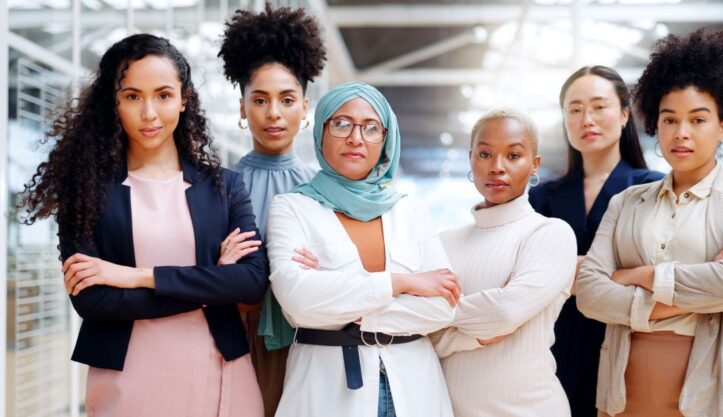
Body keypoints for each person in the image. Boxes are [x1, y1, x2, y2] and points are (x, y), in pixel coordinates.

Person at [18, 34, 267, 417]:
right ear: (113, 103)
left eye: (163, 95)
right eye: (133, 96)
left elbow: (250, 280)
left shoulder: (224, 186)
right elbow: (94, 301)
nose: (149, 113)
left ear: (184, 99)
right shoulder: (85, 191)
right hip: (127, 380)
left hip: (221, 370)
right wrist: (212, 282)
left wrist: (135, 276)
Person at [576, 29, 723, 417]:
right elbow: (589, 294)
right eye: (669, 120)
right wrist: (700, 296)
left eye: (698, 119)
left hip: (715, 389)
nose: (681, 133)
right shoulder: (626, 203)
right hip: (623, 387)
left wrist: (639, 274)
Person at [267, 82, 458, 417]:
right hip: (327, 390)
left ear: (385, 139)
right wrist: (402, 284)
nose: (356, 138)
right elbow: (297, 300)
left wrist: (337, 299)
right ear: (321, 130)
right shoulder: (292, 207)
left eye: (370, 128)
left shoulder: (410, 210)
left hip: (413, 388)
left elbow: (443, 307)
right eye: (341, 124)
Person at [528, 65, 662, 417]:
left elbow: (663, 272)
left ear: (622, 114)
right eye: (575, 109)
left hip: (630, 347)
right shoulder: (542, 198)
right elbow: (530, 279)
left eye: (599, 106)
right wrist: (622, 272)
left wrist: (573, 275)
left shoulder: (653, 189)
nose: (587, 118)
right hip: (556, 353)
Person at [430, 109, 577, 417]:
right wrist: (470, 336)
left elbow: (505, 311)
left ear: (534, 164)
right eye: (485, 154)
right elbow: (423, 337)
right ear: (471, 158)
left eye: (513, 155)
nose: (496, 167)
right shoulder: (443, 242)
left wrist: (432, 316)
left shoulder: (549, 233)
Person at [217, 3, 324, 414]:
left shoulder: (322, 189)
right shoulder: (219, 187)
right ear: (242, 108)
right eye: (259, 100)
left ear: (304, 107)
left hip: (310, 340)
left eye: (286, 99)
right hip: (236, 340)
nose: (274, 113)